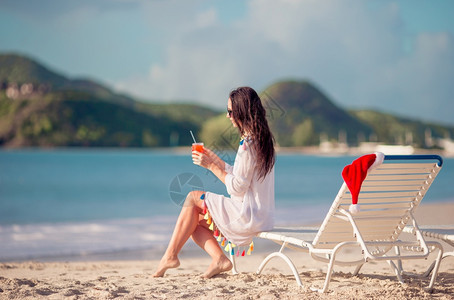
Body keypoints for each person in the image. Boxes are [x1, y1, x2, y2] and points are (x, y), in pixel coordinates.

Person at [153, 86, 275, 278]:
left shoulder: (248, 145)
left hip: (248, 215)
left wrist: (210, 166)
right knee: (193, 220)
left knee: (192, 198)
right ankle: (218, 259)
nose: (228, 116)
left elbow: (237, 187)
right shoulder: (263, 141)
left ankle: (170, 256)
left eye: (230, 111)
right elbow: (244, 177)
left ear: (241, 111)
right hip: (262, 215)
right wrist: (215, 160)